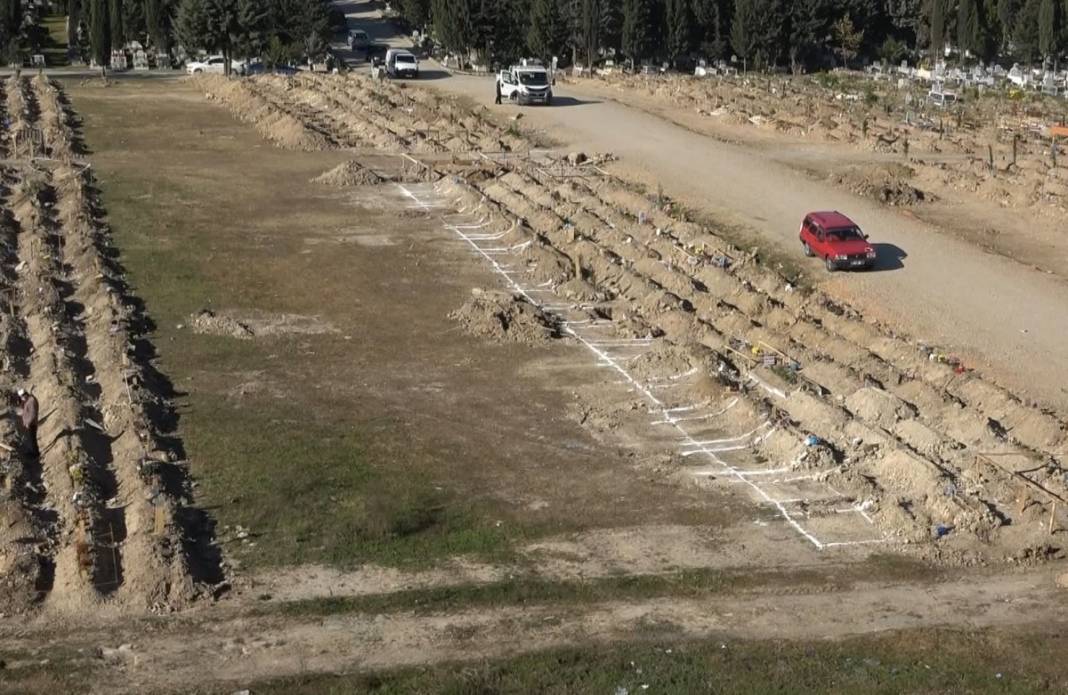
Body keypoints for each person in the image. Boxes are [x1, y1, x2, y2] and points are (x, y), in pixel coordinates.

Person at [15, 388, 38, 458]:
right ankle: (34, 452)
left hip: (32, 424)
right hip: (30, 423)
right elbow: (28, 411)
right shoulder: (29, 400)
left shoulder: (31, 401)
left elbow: (33, 414)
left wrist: (28, 423)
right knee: (32, 439)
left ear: (24, 395)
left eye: (22, 397)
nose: (22, 399)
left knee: (32, 439)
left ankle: (35, 454)